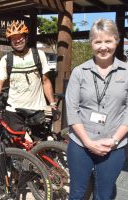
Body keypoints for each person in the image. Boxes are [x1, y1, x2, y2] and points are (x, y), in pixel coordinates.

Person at [65, 19, 128, 200]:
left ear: (117, 40)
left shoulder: (126, 72)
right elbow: (72, 110)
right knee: (77, 193)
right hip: (80, 144)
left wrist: (114, 141)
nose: (103, 47)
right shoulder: (79, 72)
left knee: (104, 195)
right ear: (91, 43)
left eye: (108, 41)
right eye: (98, 41)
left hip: (114, 147)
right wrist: (88, 142)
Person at [0, 20, 56, 134]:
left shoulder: (39, 55)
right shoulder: (6, 59)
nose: (17, 40)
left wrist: (52, 103)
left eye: (20, 37)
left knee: (39, 145)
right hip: (13, 110)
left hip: (36, 109)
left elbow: (45, 81)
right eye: (13, 38)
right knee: (14, 147)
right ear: (10, 41)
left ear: (26, 37)